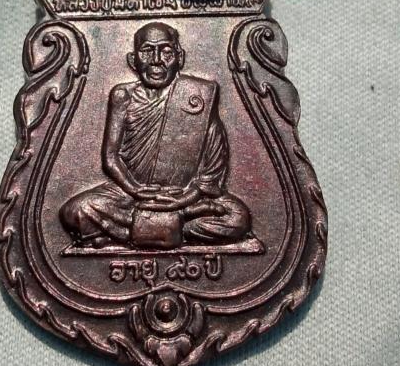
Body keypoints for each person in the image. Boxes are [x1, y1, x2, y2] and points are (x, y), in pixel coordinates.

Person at [59, 22, 254, 250]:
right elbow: (111, 158)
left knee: (238, 218)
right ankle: (172, 226)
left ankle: (135, 230)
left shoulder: (199, 96)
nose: (157, 60)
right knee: (74, 211)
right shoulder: (123, 96)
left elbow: (214, 166)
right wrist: (135, 189)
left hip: (185, 196)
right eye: (147, 51)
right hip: (129, 193)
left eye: (166, 51)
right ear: (133, 60)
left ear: (180, 58)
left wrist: (187, 198)